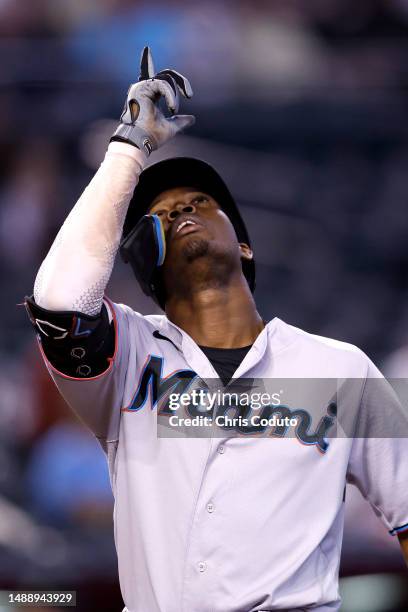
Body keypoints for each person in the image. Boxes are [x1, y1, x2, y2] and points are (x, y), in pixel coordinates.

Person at [25, 47, 408, 612]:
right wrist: (130, 149)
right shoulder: (129, 352)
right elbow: (58, 299)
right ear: (149, 268)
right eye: (162, 216)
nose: (182, 210)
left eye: (200, 201)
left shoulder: (338, 369)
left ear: (244, 244)